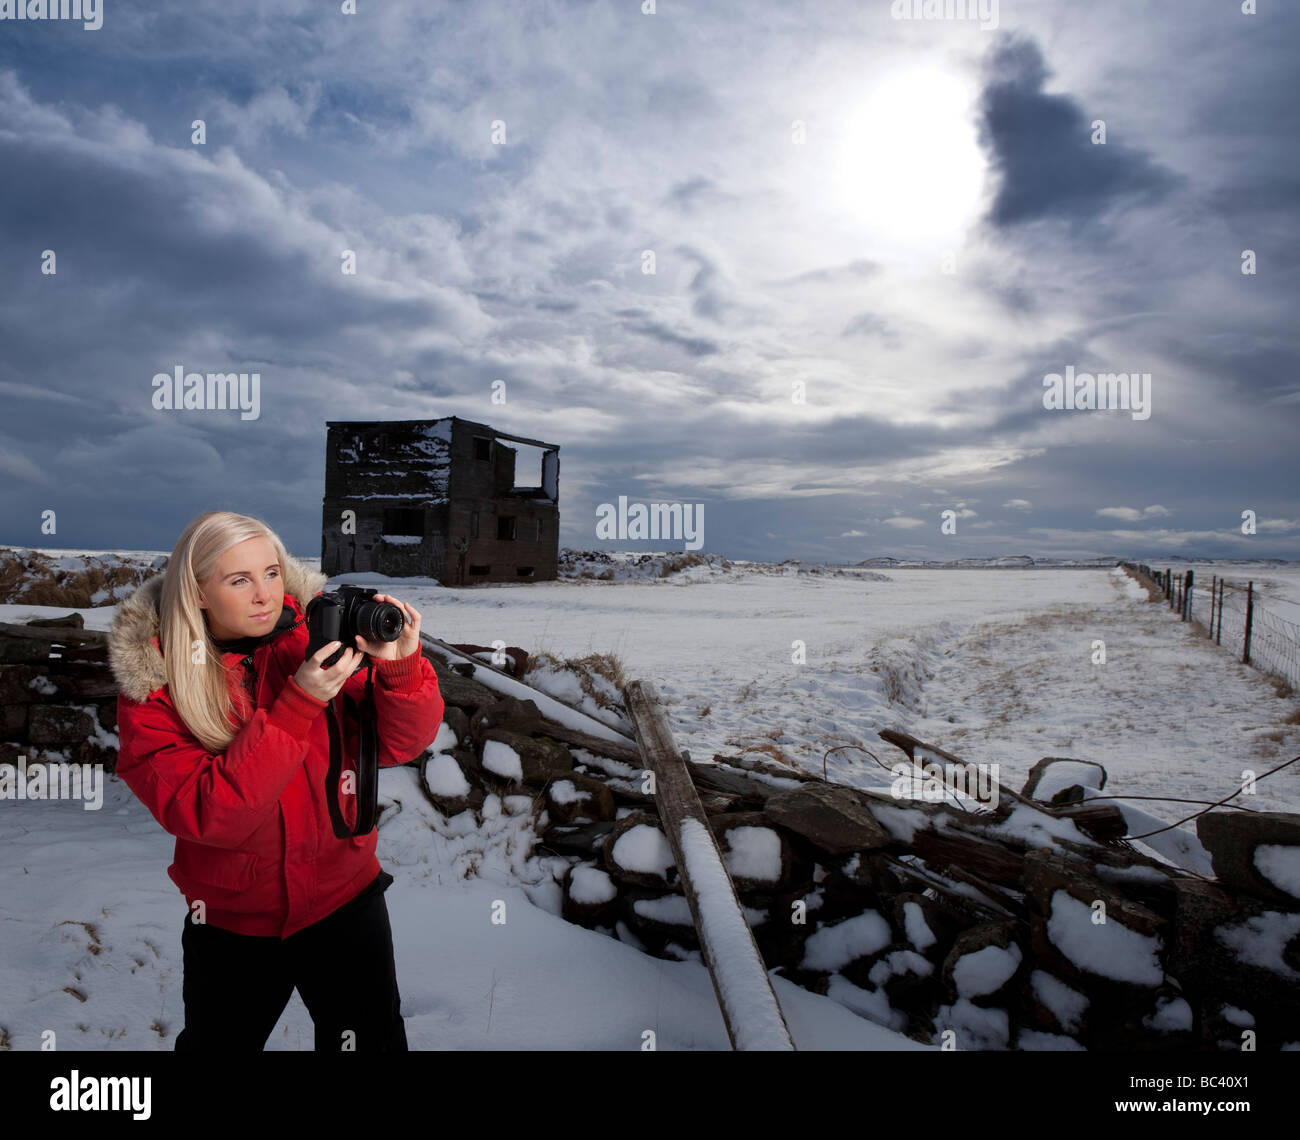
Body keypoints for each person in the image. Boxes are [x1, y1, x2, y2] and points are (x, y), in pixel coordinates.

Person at [108, 510, 444, 1051]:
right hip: (232, 921)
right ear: (196, 592)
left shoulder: (314, 639)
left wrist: (400, 670)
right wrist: (301, 702)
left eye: (270, 572)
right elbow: (208, 813)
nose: (265, 594)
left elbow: (397, 745)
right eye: (239, 580)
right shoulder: (155, 686)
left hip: (345, 899)